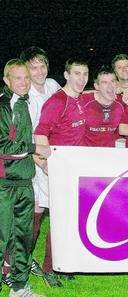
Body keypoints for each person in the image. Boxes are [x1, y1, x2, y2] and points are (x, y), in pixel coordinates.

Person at [34, 58, 89, 287]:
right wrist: (46, 164)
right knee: (57, 221)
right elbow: (40, 134)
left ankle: (63, 265)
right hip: (55, 170)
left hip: (71, 170)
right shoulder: (57, 101)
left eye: (85, 74)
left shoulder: (79, 99)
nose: (82, 79)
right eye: (77, 74)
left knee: (68, 221)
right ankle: (49, 269)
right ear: (66, 75)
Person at [0, 59, 50, 297]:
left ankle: (19, 287)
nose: (23, 82)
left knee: (23, 237)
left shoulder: (23, 102)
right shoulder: (3, 105)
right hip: (4, 184)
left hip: (24, 182)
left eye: (26, 78)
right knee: (2, 238)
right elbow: (3, 147)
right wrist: (34, 148)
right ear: (6, 80)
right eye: (17, 78)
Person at [18, 47, 60, 280]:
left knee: (55, 209)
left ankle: (48, 266)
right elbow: (26, 135)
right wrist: (40, 161)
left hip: (55, 157)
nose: (40, 71)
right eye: (34, 67)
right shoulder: (24, 96)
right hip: (35, 161)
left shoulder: (53, 85)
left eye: (42, 65)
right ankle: (18, 262)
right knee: (35, 211)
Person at [81, 67, 124, 147]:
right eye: (105, 82)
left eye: (113, 81)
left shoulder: (122, 102)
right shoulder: (84, 101)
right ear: (97, 86)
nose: (110, 86)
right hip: (86, 152)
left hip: (111, 153)